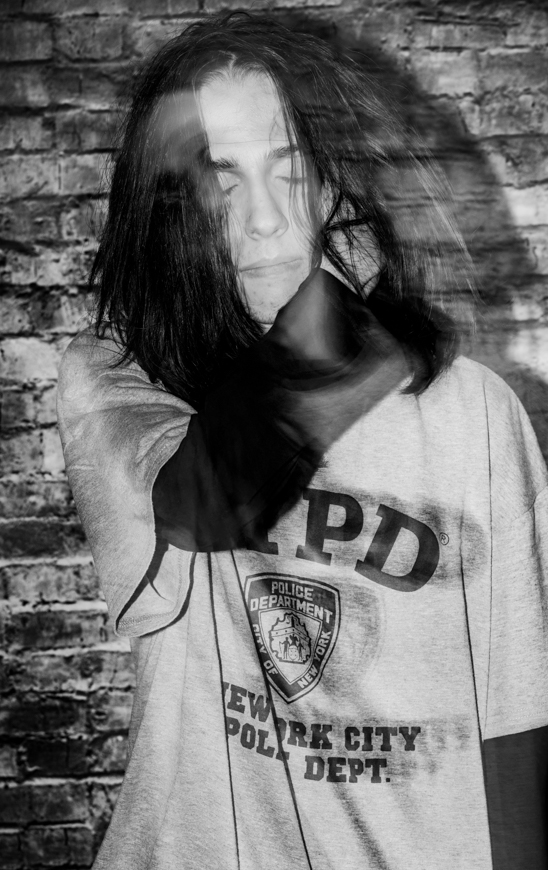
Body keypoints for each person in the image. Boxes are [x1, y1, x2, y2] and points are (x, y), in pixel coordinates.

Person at [57, 12, 548, 870]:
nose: (266, 220)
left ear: (331, 186)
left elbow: (519, 710)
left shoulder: (473, 410)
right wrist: (344, 309)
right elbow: (208, 500)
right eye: (221, 183)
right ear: (170, 208)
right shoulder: (121, 380)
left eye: (290, 172)